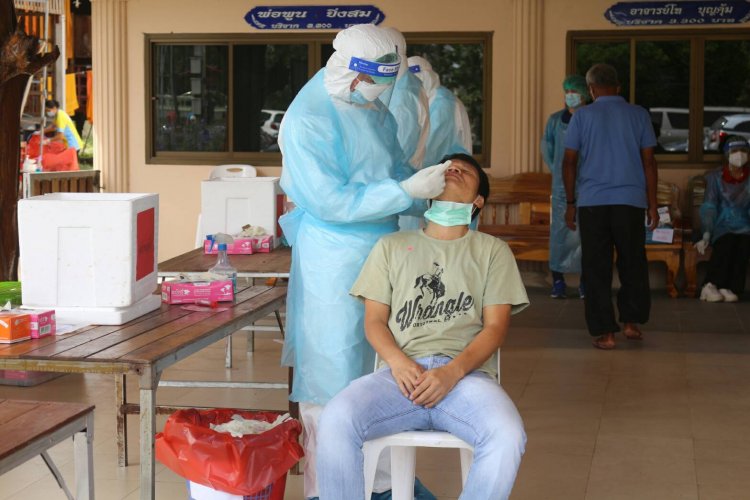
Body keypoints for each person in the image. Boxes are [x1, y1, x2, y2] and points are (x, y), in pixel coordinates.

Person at [277, 24, 451, 500]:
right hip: (333, 256)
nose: (380, 91)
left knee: (381, 367)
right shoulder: (309, 118)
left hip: (382, 250)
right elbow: (330, 200)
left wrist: (430, 192)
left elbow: (394, 170)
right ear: (352, 73)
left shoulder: (371, 107)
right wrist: (405, 191)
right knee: (332, 371)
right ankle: (329, 488)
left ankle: (384, 483)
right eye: (376, 81)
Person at [317, 153, 529, 500]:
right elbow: (374, 321)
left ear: (478, 201)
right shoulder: (391, 247)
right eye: (447, 168)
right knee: (336, 418)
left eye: (465, 171)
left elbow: (495, 329)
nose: (454, 170)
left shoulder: (492, 251)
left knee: (507, 434)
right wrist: (399, 363)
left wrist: (451, 373)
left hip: (465, 378)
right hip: (398, 377)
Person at [562, 63, 658, 350]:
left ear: (591, 90)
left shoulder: (582, 116)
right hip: (630, 202)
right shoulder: (638, 114)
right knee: (633, 262)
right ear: (618, 87)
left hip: (593, 203)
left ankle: (605, 333)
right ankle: (631, 322)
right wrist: (652, 205)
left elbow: (569, 162)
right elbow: (649, 162)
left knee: (596, 268)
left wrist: (570, 203)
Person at [540, 75, 590, 299]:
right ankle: (558, 281)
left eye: (574, 91)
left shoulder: (591, 118)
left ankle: (585, 282)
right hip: (561, 188)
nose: (570, 95)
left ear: (585, 94)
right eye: (567, 91)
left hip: (588, 185)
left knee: (587, 235)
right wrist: (558, 170)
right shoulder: (555, 121)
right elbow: (547, 148)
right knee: (560, 234)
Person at [382, 28, 431, 231]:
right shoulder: (408, 86)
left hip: (399, 192)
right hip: (399, 192)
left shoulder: (402, 98)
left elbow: (397, 154)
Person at [695, 136, 750, 302]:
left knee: (744, 245)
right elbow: (709, 206)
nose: (739, 155)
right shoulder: (715, 177)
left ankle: (730, 287)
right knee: (727, 242)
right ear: (727, 154)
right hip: (721, 223)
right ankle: (710, 285)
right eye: (735, 151)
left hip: (745, 223)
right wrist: (706, 232)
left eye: (743, 151)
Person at [407, 56, 472, 167]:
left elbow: (430, 146)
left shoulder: (443, 103)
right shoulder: (429, 100)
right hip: (442, 169)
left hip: (450, 169)